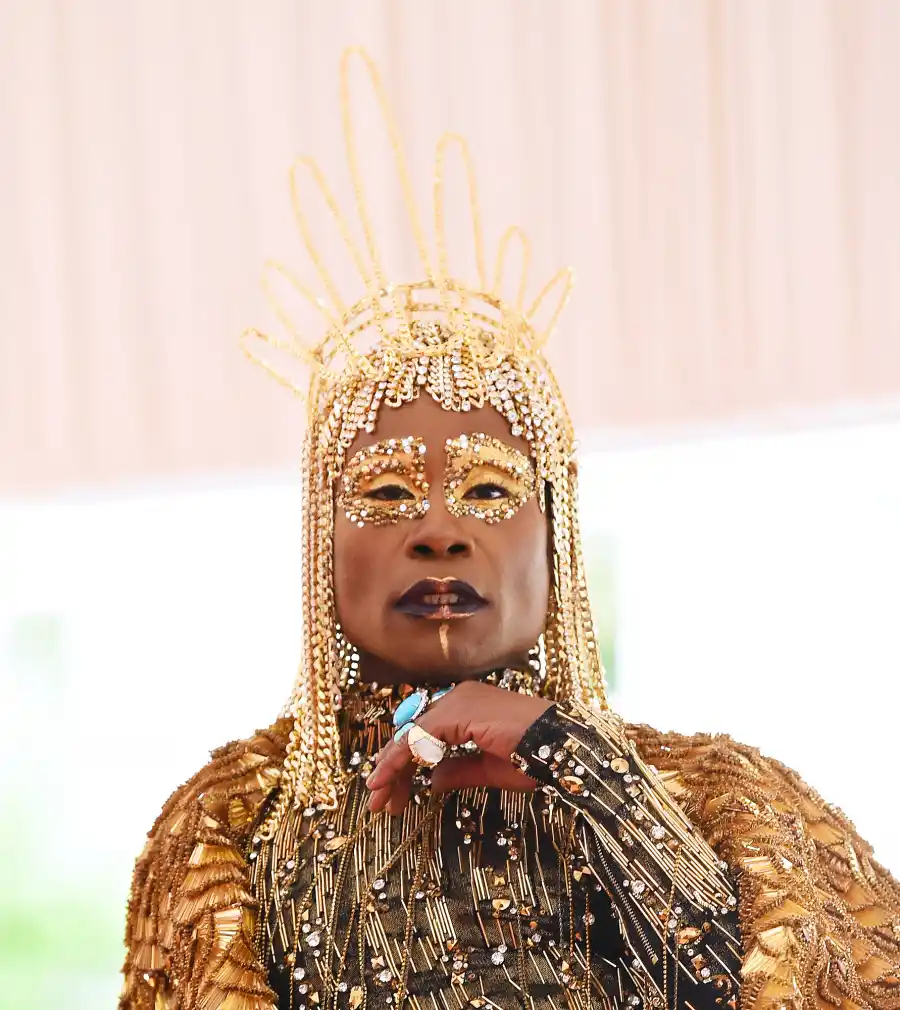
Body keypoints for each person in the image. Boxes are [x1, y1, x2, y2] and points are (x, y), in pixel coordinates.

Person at [119, 50, 900, 1010]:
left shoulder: (725, 800)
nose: (440, 531)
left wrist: (579, 765)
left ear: (555, 540)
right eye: (388, 493)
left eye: (489, 491)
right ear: (320, 543)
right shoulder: (232, 829)